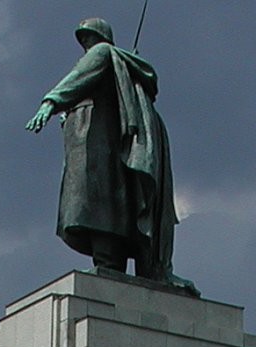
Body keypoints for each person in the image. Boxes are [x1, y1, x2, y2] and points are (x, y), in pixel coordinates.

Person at [26, 17, 193, 291]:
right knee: (105, 208)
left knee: (99, 205)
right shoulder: (110, 66)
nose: (85, 44)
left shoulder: (102, 53)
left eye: (86, 37)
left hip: (100, 156)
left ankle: (110, 262)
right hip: (102, 153)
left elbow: (75, 80)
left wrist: (50, 103)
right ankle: (109, 262)